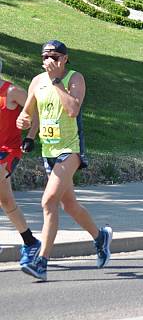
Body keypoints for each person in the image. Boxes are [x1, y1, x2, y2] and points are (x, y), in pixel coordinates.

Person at [16, 40, 112, 281]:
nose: (50, 60)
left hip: (70, 150)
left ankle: (42, 263)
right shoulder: (37, 81)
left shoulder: (74, 78)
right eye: (46, 56)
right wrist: (25, 127)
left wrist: (57, 80)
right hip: (49, 151)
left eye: (56, 56)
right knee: (69, 205)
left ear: (65, 59)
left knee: (48, 202)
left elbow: (72, 110)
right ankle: (100, 237)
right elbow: (29, 112)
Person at [0, 58, 42, 267]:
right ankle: (31, 242)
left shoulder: (12, 92)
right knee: (6, 201)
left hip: (9, 151)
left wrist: (30, 137)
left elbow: (36, 112)